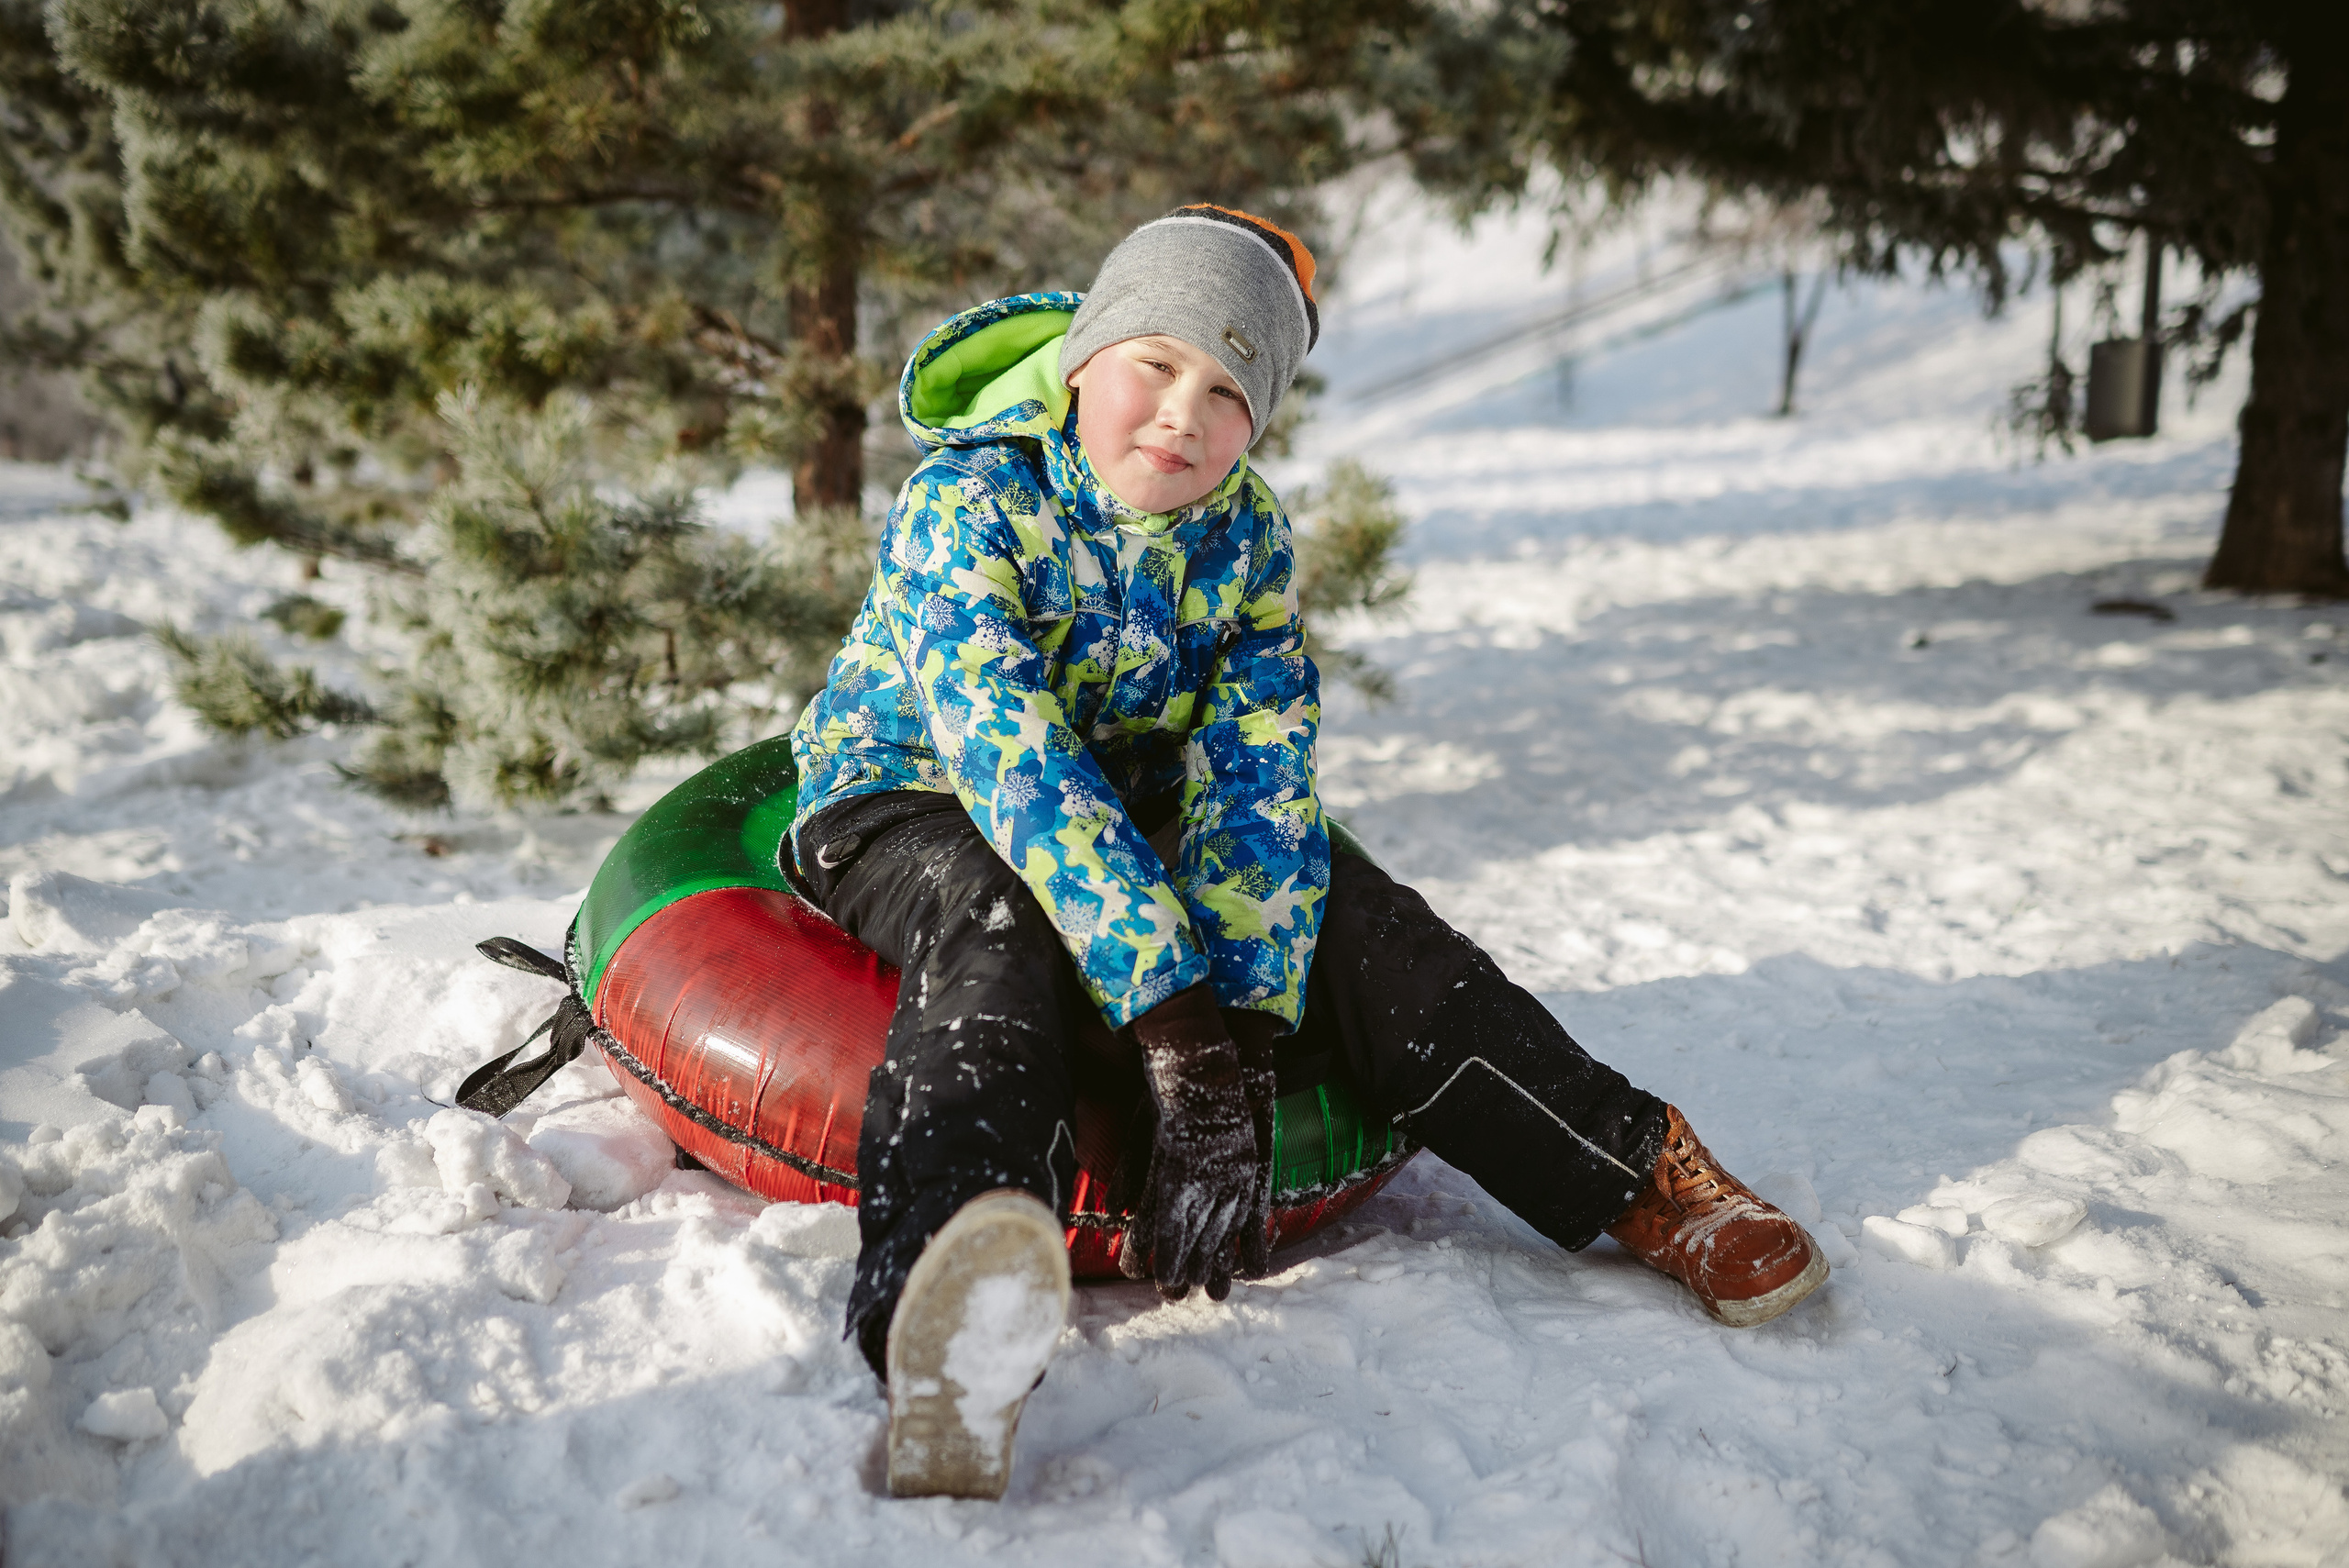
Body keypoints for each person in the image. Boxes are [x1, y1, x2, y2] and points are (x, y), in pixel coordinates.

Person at [786, 206, 1826, 1501]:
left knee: (1371, 920)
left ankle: (1641, 1173)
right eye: (1153, 366)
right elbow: (1017, 765)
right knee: (998, 919)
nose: (1181, 413)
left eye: (1229, 391)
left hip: (1139, 792)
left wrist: (1249, 1037)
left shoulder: (1247, 540)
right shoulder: (968, 500)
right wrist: (1175, 1025)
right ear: (1079, 361)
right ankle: (946, 1323)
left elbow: (1263, 777)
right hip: (913, 793)